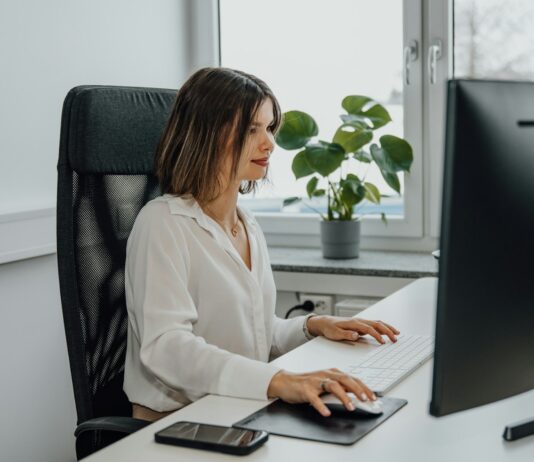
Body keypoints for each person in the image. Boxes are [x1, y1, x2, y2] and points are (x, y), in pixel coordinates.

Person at [123, 67, 400, 422]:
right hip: (176, 425)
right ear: (206, 134)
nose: (269, 142)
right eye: (251, 129)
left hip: (239, 411)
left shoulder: (247, 224)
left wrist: (314, 325)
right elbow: (167, 347)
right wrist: (278, 380)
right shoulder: (162, 223)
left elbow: (252, 333)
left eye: (269, 128)